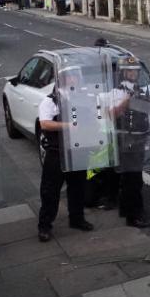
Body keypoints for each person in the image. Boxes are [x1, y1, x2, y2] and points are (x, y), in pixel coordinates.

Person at [37, 66, 95, 241]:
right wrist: (68, 126)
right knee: (50, 191)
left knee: (77, 188)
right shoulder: (50, 101)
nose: (75, 80)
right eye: (71, 77)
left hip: (77, 150)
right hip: (57, 152)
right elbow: (45, 124)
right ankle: (44, 226)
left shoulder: (80, 98)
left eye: (76, 77)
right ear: (62, 79)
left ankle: (77, 219)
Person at [109, 56, 150, 228]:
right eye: (129, 70)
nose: (133, 73)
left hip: (140, 137)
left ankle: (129, 210)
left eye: (135, 70)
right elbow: (111, 114)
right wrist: (126, 102)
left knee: (136, 178)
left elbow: (148, 112)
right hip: (127, 140)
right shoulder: (116, 92)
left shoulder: (140, 89)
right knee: (131, 180)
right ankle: (133, 216)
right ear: (123, 73)